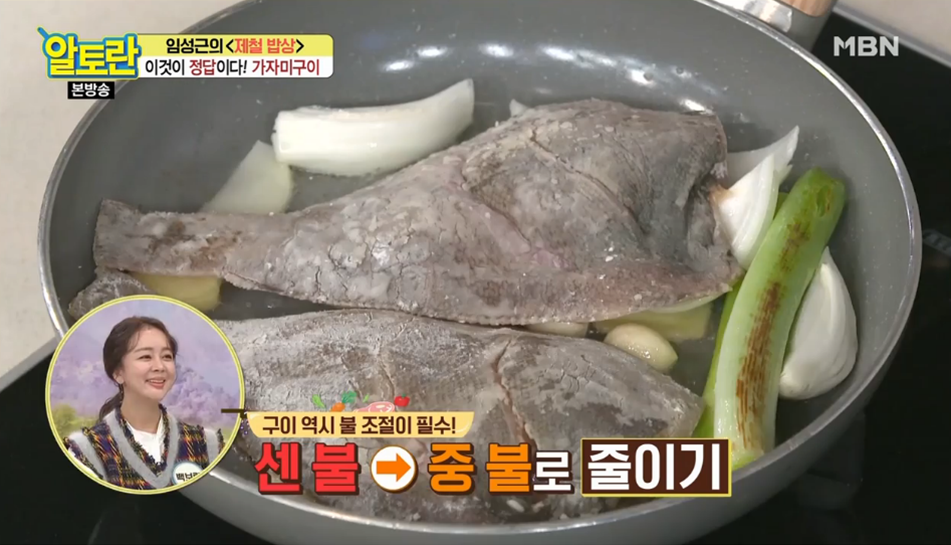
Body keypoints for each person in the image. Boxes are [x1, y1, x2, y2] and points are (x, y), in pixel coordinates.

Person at [63, 316, 225, 490]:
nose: (160, 366)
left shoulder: (206, 445)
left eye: (167, 356)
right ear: (118, 373)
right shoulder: (87, 452)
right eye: (146, 357)